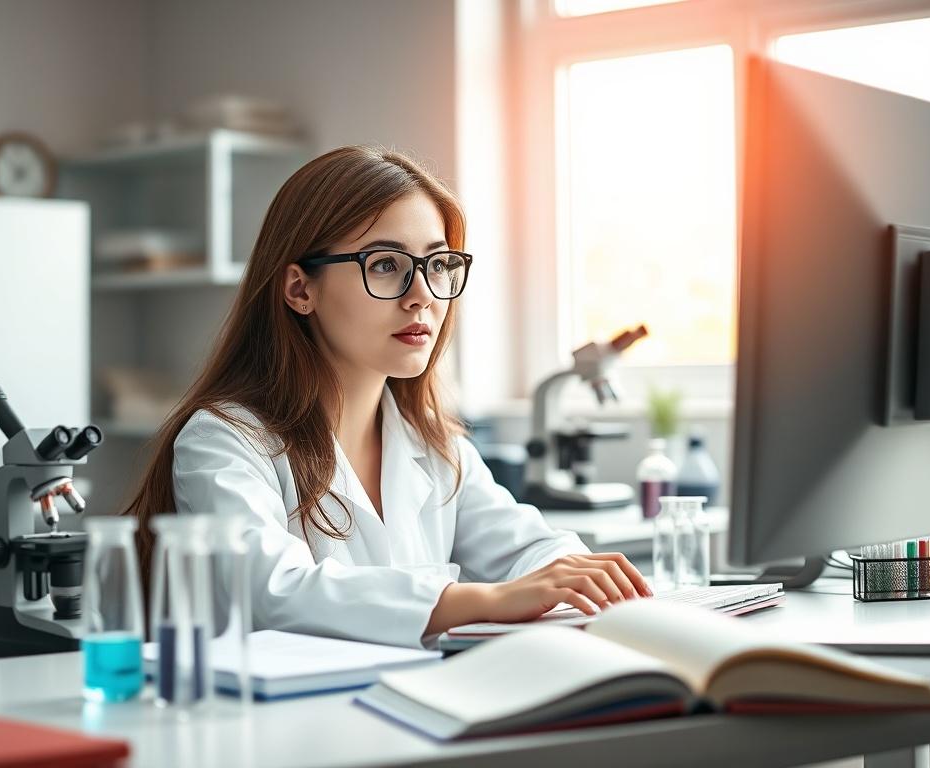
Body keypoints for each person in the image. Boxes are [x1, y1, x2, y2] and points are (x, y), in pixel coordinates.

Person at [125, 145, 651, 648]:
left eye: (439, 264)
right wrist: (488, 599)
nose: (422, 294)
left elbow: (529, 547)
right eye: (384, 265)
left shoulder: (437, 447)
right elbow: (273, 592)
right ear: (299, 290)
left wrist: (583, 577)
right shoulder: (224, 439)